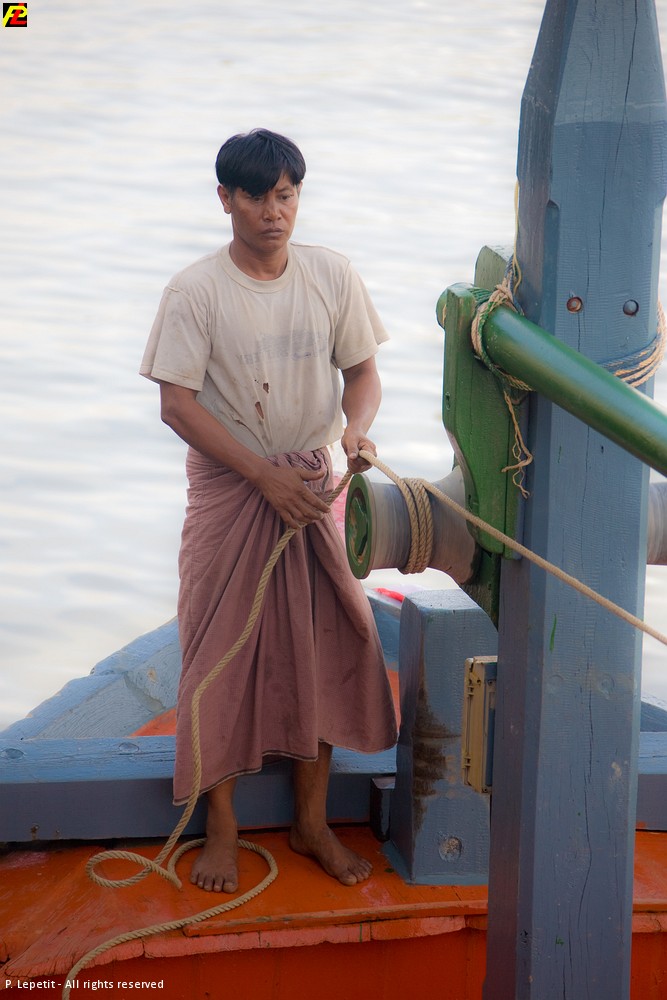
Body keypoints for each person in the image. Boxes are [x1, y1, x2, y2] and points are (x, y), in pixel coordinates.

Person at [140, 128, 397, 893]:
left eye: (285, 195)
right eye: (255, 197)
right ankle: (220, 828)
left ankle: (311, 822)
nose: (272, 211)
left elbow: (363, 374)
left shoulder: (330, 274)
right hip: (232, 490)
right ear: (225, 199)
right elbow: (177, 405)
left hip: (312, 486)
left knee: (330, 642)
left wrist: (354, 432)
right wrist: (260, 476)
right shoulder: (195, 291)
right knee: (218, 653)